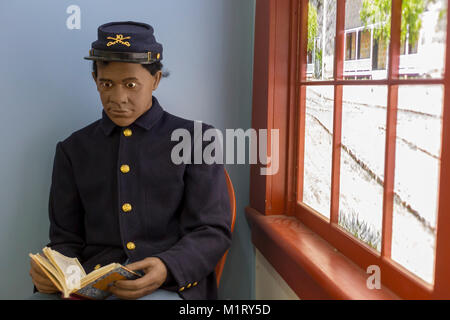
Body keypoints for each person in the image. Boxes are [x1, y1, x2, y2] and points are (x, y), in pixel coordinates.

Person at [28, 21, 232, 300]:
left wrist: (165, 267)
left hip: (168, 284)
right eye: (106, 84)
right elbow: (66, 240)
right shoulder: (73, 149)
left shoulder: (197, 139)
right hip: (92, 284)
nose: (117, 98)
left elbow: (212, 231)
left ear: (156, 80)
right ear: (95, 80)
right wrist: (51, 272)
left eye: (131, 84)